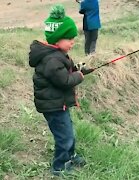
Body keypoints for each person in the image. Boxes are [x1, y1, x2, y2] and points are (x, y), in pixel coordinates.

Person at [28, 4, 91, 176]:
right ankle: (59, 166)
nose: (73, 42)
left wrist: (80, 69)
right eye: (69, 38)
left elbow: (67, 70)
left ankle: (70, 155)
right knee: (64, 137)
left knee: (68, 131)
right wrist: (78, 76)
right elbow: (64, 80)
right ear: (57, 39)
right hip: (53, 106)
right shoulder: (52, 60)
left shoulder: (56, 55)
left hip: (58, 103)